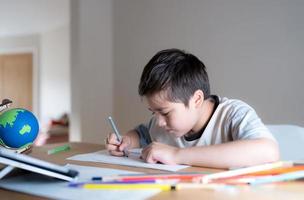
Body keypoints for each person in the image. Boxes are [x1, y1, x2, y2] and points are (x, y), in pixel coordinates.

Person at [105, 48, 279, 169]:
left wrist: (177, 155)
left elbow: (267, 151)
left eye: (165, 112)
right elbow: (142, 134)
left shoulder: (233, 115)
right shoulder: (162, 124)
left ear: (196, 99)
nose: (158, 121)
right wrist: (126, 140)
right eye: (153, 112)